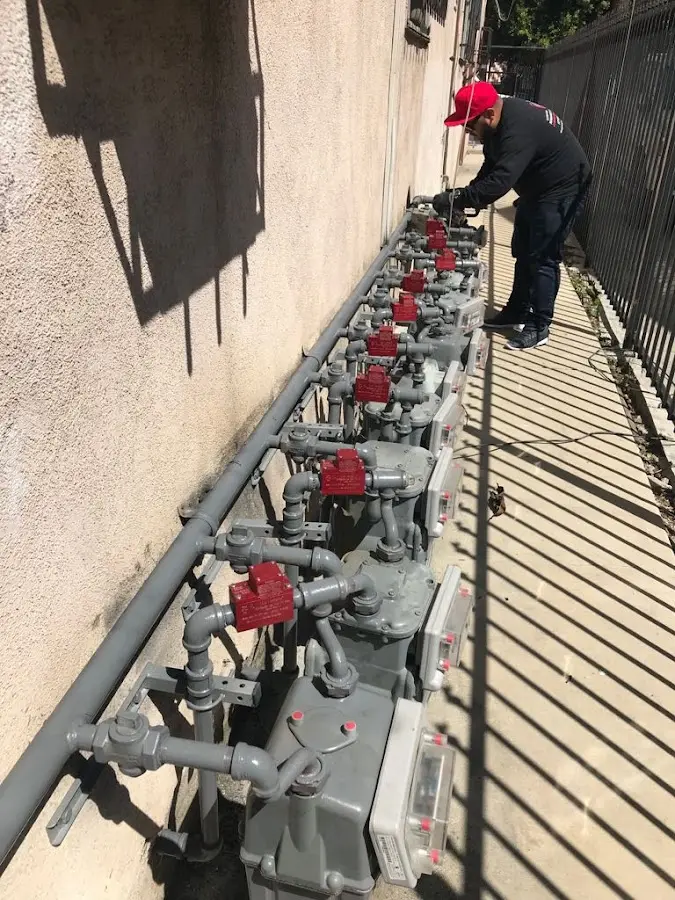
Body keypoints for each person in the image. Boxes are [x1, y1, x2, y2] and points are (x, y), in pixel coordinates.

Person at [433, 82, 591, 350]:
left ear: (489, 115)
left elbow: (500, 182)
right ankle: (517, 311)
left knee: (542, 256)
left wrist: (460, 199)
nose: (468, 131)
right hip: (537, 187)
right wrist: (464, 195)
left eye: (470, 125)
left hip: (563, 188)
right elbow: (491, 168)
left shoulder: (517, 130)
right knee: (523, 249)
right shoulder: (499, 125)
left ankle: (539, 326)